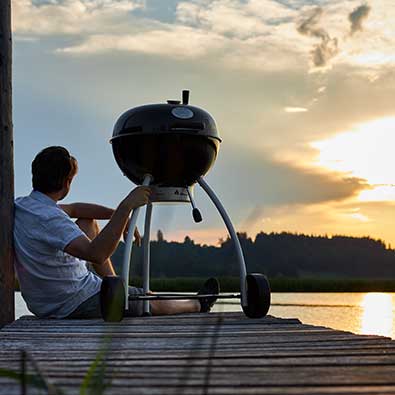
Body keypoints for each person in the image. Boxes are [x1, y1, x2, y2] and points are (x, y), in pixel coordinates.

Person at [14, 146, 219, 319]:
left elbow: (77, 209)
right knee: (144, 300)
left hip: (45, 300)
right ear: (67, 182)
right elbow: (97, 254)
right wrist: (125, 207)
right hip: (70, 302)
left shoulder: (26, 206)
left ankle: (115, 285)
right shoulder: (51, 219)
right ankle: (198, 304)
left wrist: (119, 218)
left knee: (87, 221)